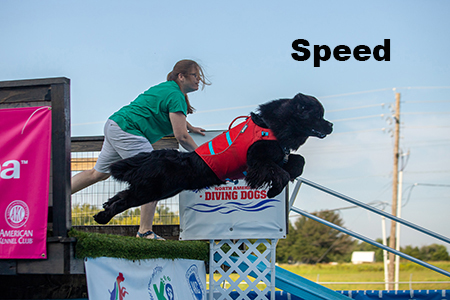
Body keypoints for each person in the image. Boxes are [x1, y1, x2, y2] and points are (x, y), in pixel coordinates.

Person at [71, 59, 209, 240]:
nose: (199, 80)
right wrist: (204, 156)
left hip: (115, 124)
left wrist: (189, 127)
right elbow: (181, 137)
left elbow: (174, 116)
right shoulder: (176, 96)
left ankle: (51, 199)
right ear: (181, 77)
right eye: (195, 75)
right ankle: (144, 231)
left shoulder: (167, 89)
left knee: (97, 174)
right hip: (128, 131)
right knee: (154, 178)